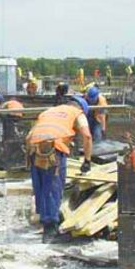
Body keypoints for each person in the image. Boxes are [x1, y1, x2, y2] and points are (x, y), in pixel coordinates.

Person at [25, 94, 93, 243]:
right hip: (53, 149)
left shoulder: (48, 112)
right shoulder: (77, 113)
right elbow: (87, 136)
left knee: (41, 187)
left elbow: (30, 134)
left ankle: (46, 220)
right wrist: (87, 161)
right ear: (81, 107)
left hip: (33, 148)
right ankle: (51, 230)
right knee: (53, 187)